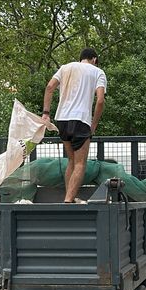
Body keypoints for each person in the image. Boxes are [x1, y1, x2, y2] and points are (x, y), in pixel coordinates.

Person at [42, 47, 107, 203]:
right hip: (81, 121)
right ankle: (68, 200)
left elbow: (50, 87)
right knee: (80, 164)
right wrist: (93, 125)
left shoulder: (65, 68)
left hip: (62, 119)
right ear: (95, 60)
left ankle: (68, 197)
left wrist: (46, 113)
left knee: (71, 160)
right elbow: (100, 100)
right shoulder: (98, 72)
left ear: (81, 58)